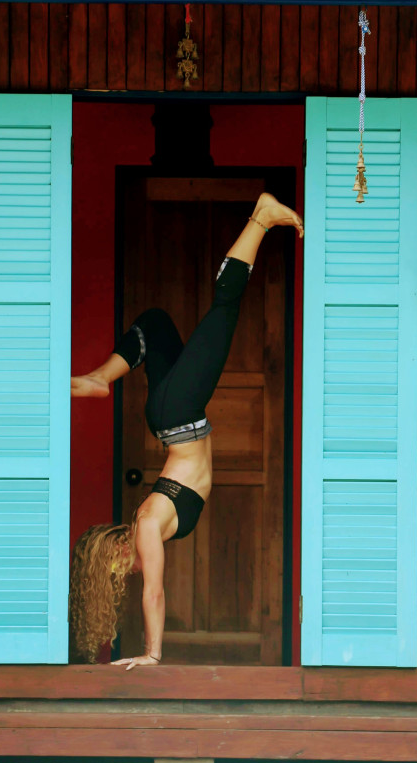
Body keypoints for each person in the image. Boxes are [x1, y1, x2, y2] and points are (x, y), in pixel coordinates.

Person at [70, 193, 303, 669]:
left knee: (225, 308)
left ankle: (260, 217)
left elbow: (154, 592)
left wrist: (153, 653)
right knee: (155, 325)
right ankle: (101, 378)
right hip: (169, 414)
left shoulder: (148, 528)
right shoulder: (145, 519)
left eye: (118, 574)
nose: (128, 575)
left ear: (115, 555)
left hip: (178, 413)